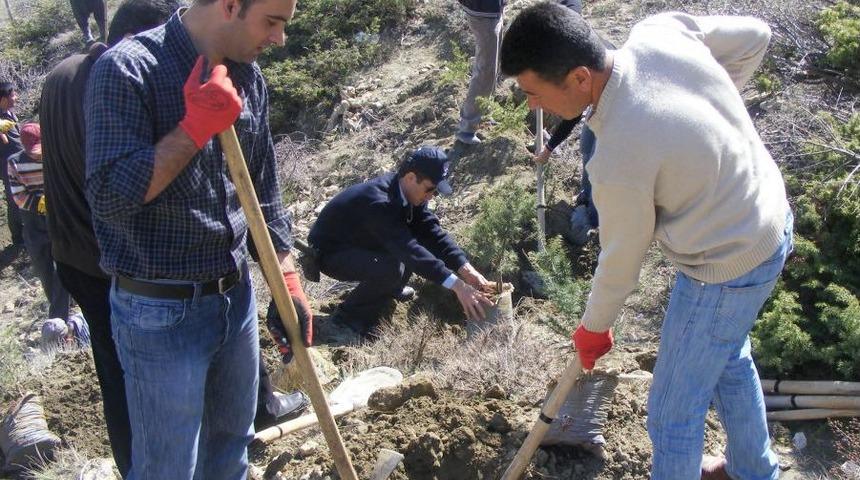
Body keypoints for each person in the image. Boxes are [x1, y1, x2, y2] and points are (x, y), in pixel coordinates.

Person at [501, 5, 791, 480]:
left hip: (726, 264)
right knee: (728, 355)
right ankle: (754, 472)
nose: (532, 105)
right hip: (769, 215)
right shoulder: (661, 32)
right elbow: (756, 35)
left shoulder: (618, 154)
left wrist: (594, 329)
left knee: (672, 414)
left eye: (534, 93)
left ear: (578, 77)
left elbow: (620, 262)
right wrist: (704, 126)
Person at [84, 0, 309, 476]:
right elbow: (107, 197)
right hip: (159, 312)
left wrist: (286, 277)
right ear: (229, 6)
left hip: (235, 298)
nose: (279, 39)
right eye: (272, 22)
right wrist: (195, 127)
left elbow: (262, 192)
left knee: (230, 450)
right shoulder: (128, 69)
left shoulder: (248, 76)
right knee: (169, 468)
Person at [39, 0, 180, 475]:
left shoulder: (62, 73)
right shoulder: (115, 86)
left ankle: (131, 465)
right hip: (114, 258)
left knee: (112, 370)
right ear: (138, 41)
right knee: (145, 375)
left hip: (70, 252)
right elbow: (129, 186)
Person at [308, 146, 493, 337]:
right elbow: (408, 250)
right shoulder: (380, 202)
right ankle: (348, 318)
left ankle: (389, 290)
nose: (430, 196)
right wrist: (458, 287)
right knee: (390, 268)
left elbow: (431, 232)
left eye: (435, 192)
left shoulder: (408, 193)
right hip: (330, 252)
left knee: (409, 248)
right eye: (429, 189)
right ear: (411, 177)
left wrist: (465, 268)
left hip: (362, 241)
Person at [7, 123, 72, 321]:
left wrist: (55, 201)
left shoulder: (55, 155)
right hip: (33, 218)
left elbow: (67, 182)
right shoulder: (15, 162)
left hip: (58, 217)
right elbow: (18, 196)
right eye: (33, 151)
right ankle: (58, 305)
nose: (37, 155)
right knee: (43, 265)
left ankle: (59, 316)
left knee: (62, 262)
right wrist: (39, 204)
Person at [0, 82, 24, 246]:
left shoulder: (9, 113)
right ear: (3, 99)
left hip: (20, 163)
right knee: (14, 200)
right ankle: (18, 239)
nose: (16, 97)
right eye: (13, 95)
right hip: (8, 165)